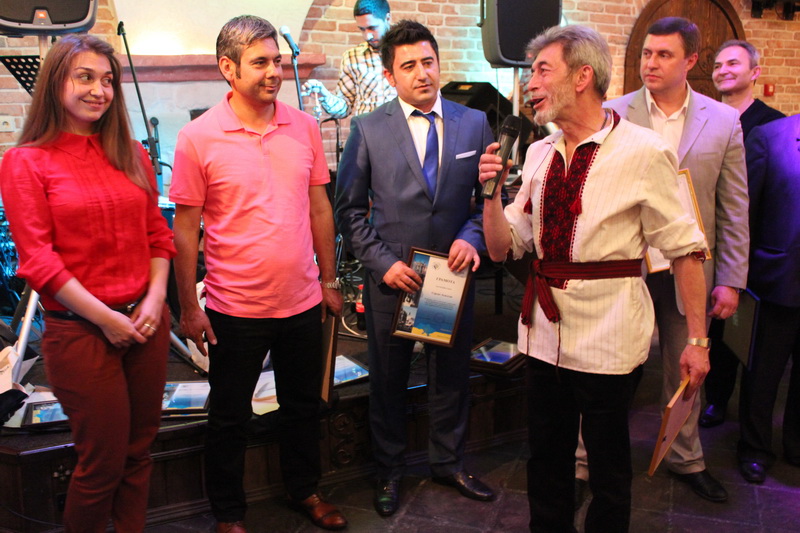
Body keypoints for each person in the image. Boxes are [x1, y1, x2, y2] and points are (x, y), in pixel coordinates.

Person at [479, 24, 709, 533]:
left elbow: (686, 249)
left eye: (543, 70)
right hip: (543, 334)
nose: (530, 84)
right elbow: (502, 247)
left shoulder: (644, 151)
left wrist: (697, 341)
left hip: (611, 336)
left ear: (583, 76)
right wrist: (491, 195)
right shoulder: (538, 153)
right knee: (546, 458)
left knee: (607, 467)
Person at [169, 15, 346, 533]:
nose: (275, 72)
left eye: (278, 61)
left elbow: (320, 208)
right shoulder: (197, 137)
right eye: (261, 62)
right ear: (228, 68)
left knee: (302, 407)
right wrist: (188, 307)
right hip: (234, 308)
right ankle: (228, 513)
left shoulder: (305, 126)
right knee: (228, 417)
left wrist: (330, 280)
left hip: (302, 301)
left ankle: (304, 489)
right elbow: (185, 230)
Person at [0, 34, 175, 532]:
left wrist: (155, 300)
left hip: (146, 321)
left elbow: (158, 236)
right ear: (56, 82)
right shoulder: (26, 161)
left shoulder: (132, 153)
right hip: (81, 331)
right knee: (101, 465)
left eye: (107, 80)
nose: (99, 90)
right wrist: (107, 319)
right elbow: (40, 262)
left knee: (139, 453)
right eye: (85, 77)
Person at [335, 19, 495, 517]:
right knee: (388, 381)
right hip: (394, 279)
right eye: (408, 66)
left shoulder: (474, 123)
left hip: (451, 275)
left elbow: (487, 199)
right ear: (390, 75)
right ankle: (388, 470)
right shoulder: (368, 128)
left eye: (428, 62)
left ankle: (448, 463)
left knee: (451, 377)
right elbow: (349, 212)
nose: (422, 73)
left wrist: (472, 238)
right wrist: (382, 264)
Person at [604, 16, 749, 503]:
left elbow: (733, 207)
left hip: (691, 267)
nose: (651, 63)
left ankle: (686, 457)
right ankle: (590, 458)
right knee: (608, 366)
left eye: (664, 55)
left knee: (687, 367)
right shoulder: (613, 113)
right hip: (628, 262)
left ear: (691, 61)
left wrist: (730, 278)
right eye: (647, 53)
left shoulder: (723, 120)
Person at [700, 39, 785, 429]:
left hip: (753, 241)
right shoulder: (706, 117)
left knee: (743, 329)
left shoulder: (773, 124)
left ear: (755, 72)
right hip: (709, 236)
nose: (723, 70)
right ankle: (715, 399)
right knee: (713, 325)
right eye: (718, 65)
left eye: (733, 63)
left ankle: (748, 412)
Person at [736, 114, 800, 484]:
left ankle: (796, 444)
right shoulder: (771, 137)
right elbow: (746, 214)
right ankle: (755, 448)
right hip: (778, 279)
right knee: (763, 372)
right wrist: (739, 276)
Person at [303, 0, 396, 118]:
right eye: (362, 29)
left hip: (403, 127)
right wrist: (324, 95)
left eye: (372, 28)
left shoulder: (407, 53)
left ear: (388, 18)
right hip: (366, 128)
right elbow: (343, 109)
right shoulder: (353, 57)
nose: (367, 36)